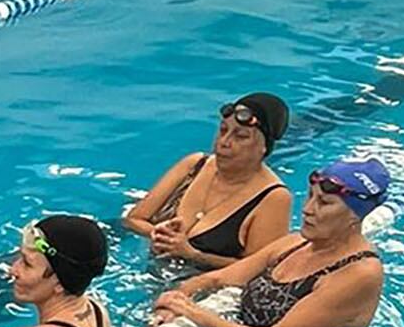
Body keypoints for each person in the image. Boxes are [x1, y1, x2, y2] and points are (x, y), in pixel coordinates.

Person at [151, 156, 389, 327]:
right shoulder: (295, 244)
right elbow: (218, 278)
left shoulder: (359, 274)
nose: (307, 208)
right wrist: (176, 299)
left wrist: (195, 313)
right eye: (310, 196)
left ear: (355, 215)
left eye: (324, 203)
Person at [123, 93, 293, 268]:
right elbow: (133, 219)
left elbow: (257, 268)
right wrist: (159, 234)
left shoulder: (274, 198)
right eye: (223, 130)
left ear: (264, 147)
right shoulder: (194, 165)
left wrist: (193, 255)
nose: (224, 142)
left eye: (240, 136)